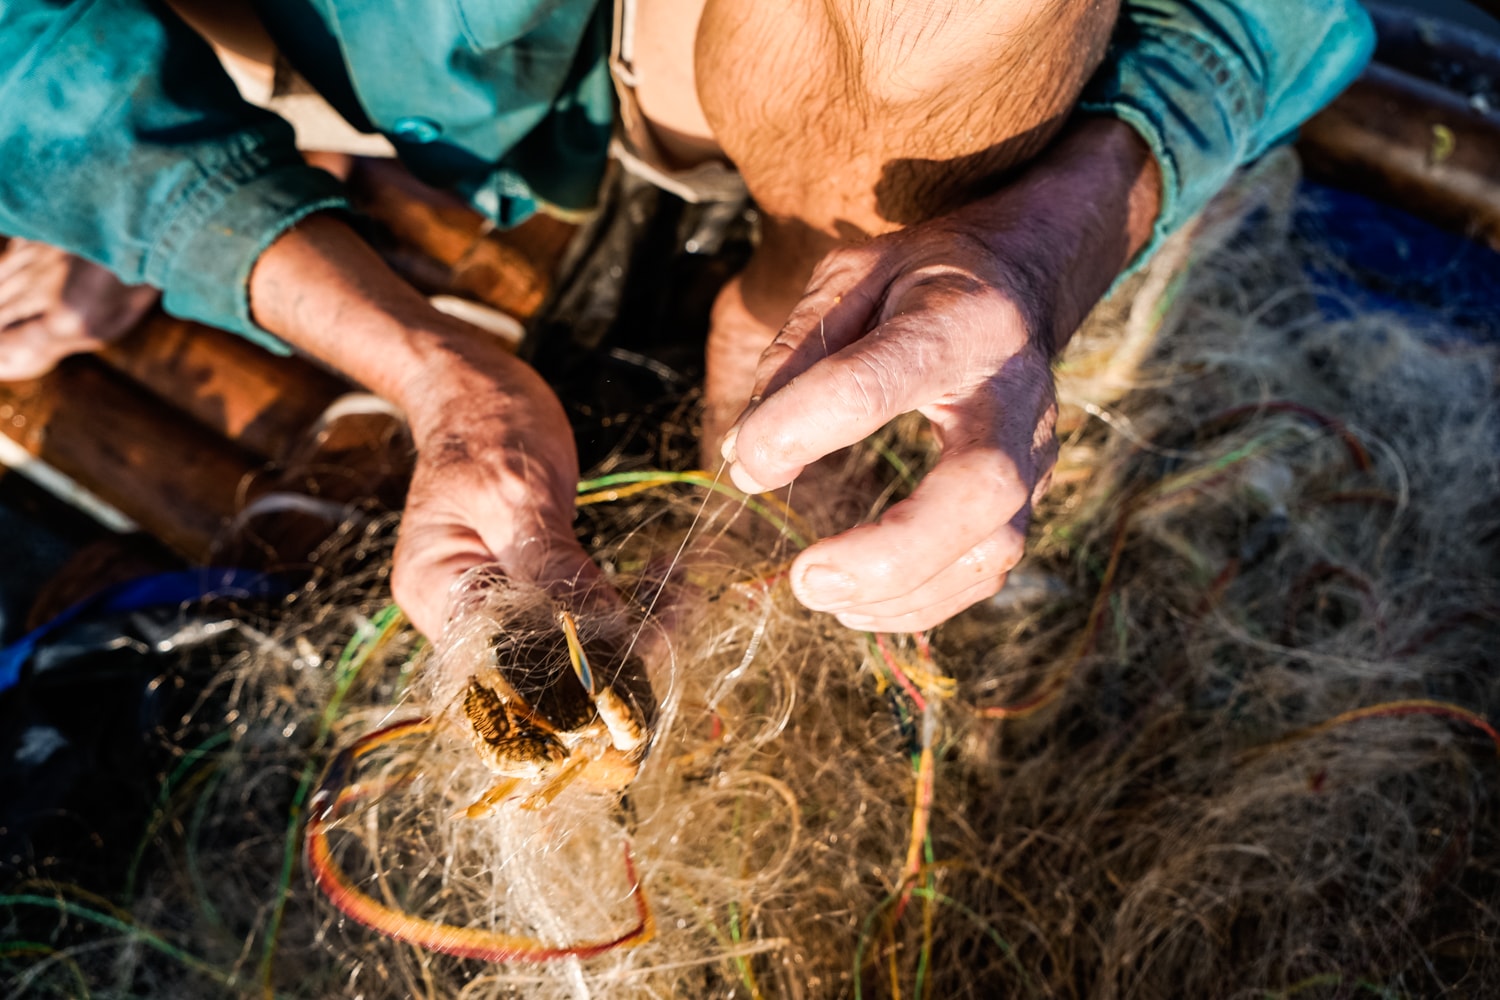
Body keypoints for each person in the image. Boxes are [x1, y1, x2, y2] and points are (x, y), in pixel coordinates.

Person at [0, 0, 1374, 640]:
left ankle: (794, 300)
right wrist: (217, 221)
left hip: (745, 117)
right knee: (65, 161)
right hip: (360, 57)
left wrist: (1039, 248)